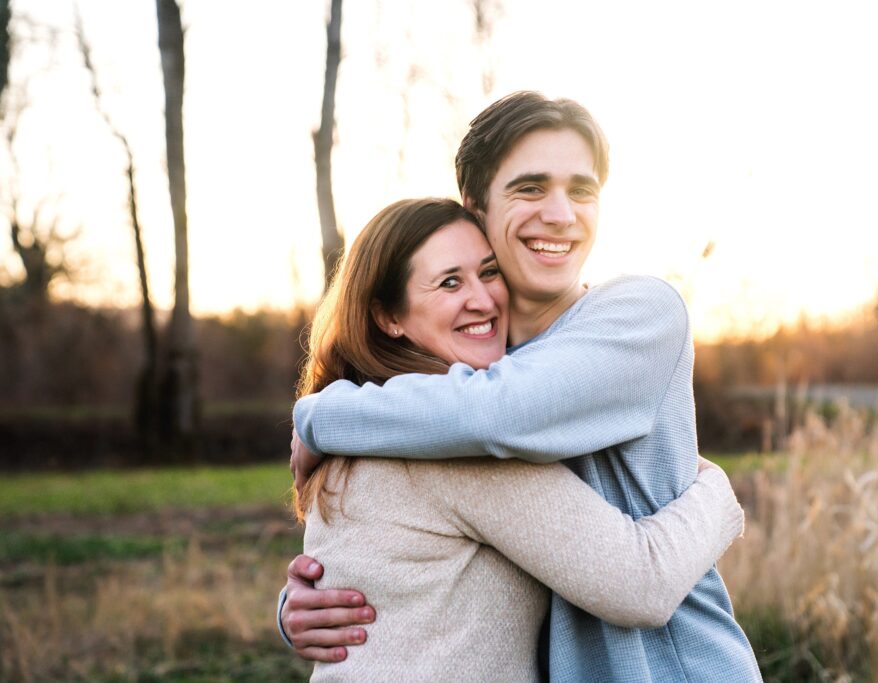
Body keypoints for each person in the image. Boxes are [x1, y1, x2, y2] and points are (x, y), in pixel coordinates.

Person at [285, 92, 762, 681]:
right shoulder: (467, 375)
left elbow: (498, 415)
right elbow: (426, 522)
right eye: (531, 187)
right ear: (476, 208)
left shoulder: (637, 314)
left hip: (670, 667)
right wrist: (308, 599)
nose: (561, 213)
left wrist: (325, 417)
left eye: (581, 190)